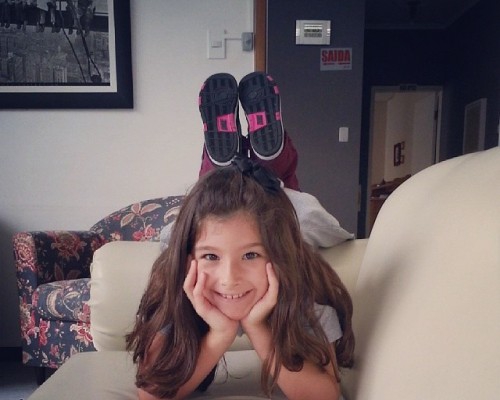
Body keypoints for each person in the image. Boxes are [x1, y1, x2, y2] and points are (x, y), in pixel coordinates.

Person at [126, 161, 355, 399]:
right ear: (189, 263)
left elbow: (325, 396)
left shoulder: (303, 289)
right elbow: (151, 395)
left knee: (307, 219)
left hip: (297, 230)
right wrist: (220, 334)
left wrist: (257, 328)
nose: (229, 279)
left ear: (279, 258)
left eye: (250, 255)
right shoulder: (173, 288)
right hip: (180, 246)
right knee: (171, 236)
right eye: (211, 256)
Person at [159, 71, 354, 251]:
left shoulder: (191, 227)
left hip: (219, 200)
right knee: (280, 188)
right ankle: (265, 161)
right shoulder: (301, 216)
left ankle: (224, 166)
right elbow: (334, 233)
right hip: (275, 201)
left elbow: (169, 240)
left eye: (251, 255)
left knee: (211, 192)